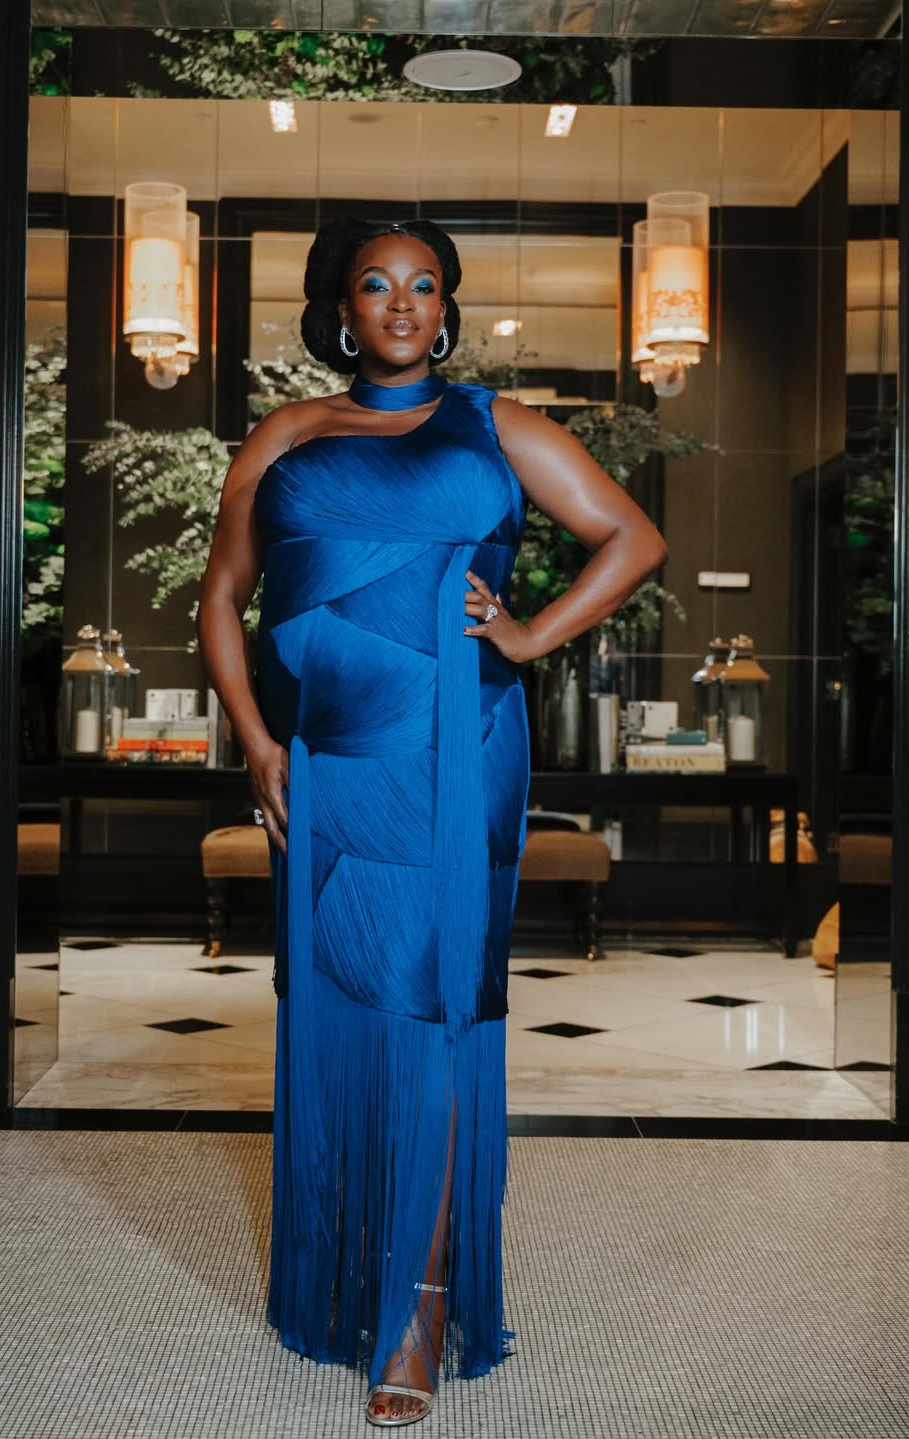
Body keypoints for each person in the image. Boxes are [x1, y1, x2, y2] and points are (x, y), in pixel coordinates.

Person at [197, 217, 667, 1428]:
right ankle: (347, 1270)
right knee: (344, 999)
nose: (401, 304)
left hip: (458, 747)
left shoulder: (498, 426)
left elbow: (635, 537)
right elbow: (224, 594)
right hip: (324, 759)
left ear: (446, 307)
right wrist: (254, 739)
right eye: (376, 285)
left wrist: (527, 633)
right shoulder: (288, 433)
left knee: (437, 1006)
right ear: (341, 309)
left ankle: (418, 1306)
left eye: (424, 285)